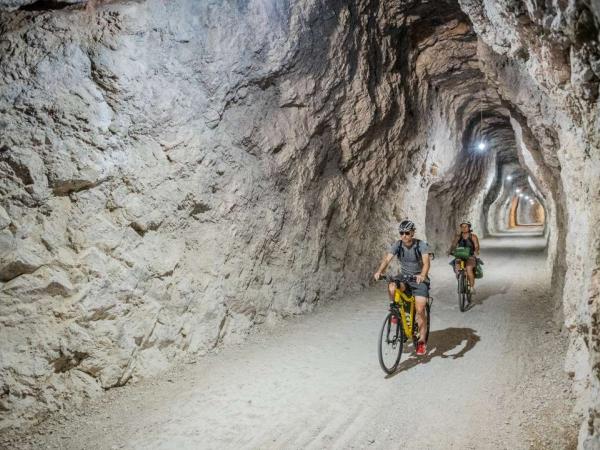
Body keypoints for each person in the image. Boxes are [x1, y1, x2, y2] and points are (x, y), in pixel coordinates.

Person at [374, 219, 431, 356]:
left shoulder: (421, 245)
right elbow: (387, 259)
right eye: (401, 233)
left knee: (420, 309)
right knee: (392, 284)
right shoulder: (398, 245)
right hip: (405, 278)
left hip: (418, 280)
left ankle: (422, 341)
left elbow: (426, 263)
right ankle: (394, 309)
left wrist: (422, 275)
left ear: (412, 233)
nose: (404, 235)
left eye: (407, 233)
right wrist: (379, 271)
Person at [449, 221, 480, 294]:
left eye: (465, 226)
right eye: (462, 226)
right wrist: (450, 250)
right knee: (457, 270)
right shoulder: (458, 236)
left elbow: (476, 246)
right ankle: (460, 283)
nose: (464, 228)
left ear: (469, 227)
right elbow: (453, 245)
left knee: (469, 270)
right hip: (460, 256)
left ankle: (472, 287)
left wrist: (476, 251)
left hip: (470, 256)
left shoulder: (473, 236)